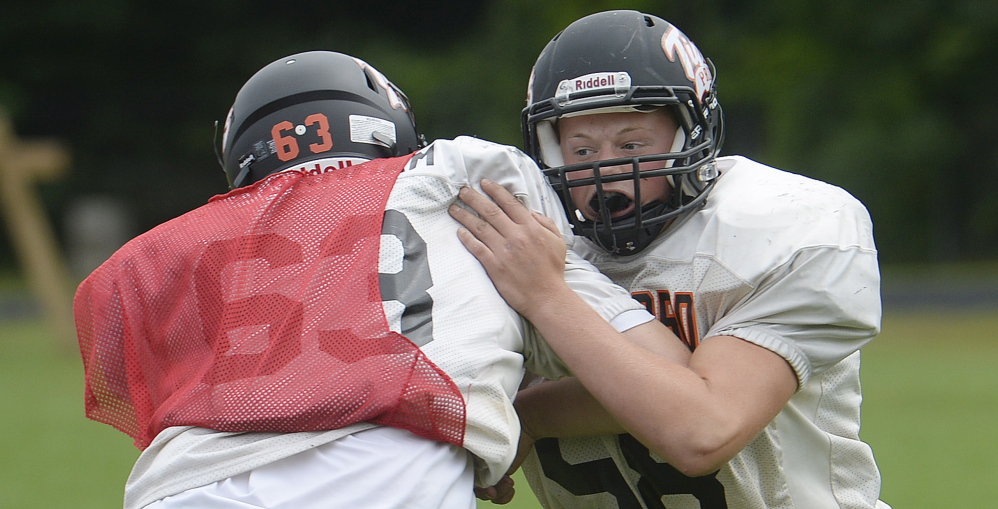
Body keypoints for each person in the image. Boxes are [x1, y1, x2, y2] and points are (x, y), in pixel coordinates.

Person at [73, 50, 687, 509]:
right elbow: (667, 379)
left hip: (173, 487)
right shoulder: (457, 184)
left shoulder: (169, 248)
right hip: (376, 479)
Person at [450, 10, 891, 509]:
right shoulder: (521, 240)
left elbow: (702, 430)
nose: (605, 170)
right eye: (580, 149)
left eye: (633, 144)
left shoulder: (787, 228)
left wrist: (544, 308)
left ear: (691, 133)